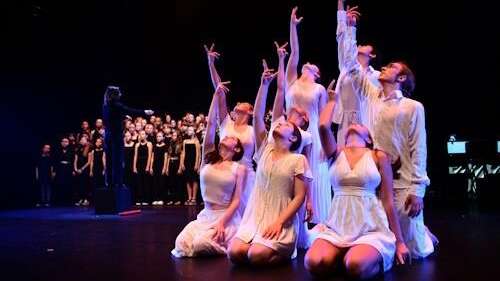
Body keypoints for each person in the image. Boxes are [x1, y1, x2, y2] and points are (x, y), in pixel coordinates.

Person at [342, 6, 436, 259]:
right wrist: (349, 28)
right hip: (375, 177)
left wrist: (418, 189)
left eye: (392, 66)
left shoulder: (412, 107)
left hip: (402, 180)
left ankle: (423, 233)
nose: (384, 66)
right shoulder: (371, 96)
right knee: (381, 242)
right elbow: (349, 67)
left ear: (402, 78)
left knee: (414, 249)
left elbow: (419, 147)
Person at [304, 86, 409, 279]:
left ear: (369, 138)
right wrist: (332, 100)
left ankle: (363, 256)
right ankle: (341, 254)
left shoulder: (378, 156)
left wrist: (400, 241)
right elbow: (323, 126)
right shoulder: (335, 153)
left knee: (355, 265)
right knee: (312, 262)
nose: (354, 123)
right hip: (337, 227)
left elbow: (387, 200)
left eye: (360, 124)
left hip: (369, 227)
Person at [228, 62, 312, 265]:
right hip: (256, 215)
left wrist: (279, 222)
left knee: (255, 256)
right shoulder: (265, 150)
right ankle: (257, 243)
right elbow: (257, 116)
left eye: (285, 125)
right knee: (235, 253)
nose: (280, 122)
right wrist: (264, 85)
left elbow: (299, 196)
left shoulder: (298, 160)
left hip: (279, 217)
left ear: (293, 138)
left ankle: (285, 252)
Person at [172, 83, 246, 257]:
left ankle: (226, 246)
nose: (226, 135)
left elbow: (236, 201)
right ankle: (207, 238)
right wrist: (216, 95)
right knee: (181, 244)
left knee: (200, 245)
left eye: (231, 137)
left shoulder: (238, 168)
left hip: (225, 218)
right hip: (205, 215)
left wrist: (222, 223)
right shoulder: (208, 158)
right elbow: (212, 124)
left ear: (236, 149)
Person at [285, 7, 331, 224]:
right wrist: (293, 27)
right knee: (292, 172)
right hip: (291, 131)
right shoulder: (291, 81)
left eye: (312, 66)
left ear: (317, 72)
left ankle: (318, 217)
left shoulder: (320, 89)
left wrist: (326, 143)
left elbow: (323, 119)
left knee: (313, 173)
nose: (307, 63)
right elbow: (294, 54)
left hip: (312, 133)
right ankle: (293, 216)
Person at [205, 43, 256, 215]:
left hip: (247, 176)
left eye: (243, 102)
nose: (238, 102)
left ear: (251, 110)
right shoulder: (226, 123)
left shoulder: (253, 130)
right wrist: (211, 64)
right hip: (224, 174)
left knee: (245, 214)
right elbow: (219, 91)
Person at [333, 0, 381, 148]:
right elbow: (341, 40)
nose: (360, 44)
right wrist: (344, 19)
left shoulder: (377, 76)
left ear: (372, 55)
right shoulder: (346, 68)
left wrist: (351, 29)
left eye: (366, 45)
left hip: (365, 121)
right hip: (344, 121)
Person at [102, 85, 153, 189]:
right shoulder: (116, 104)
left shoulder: (106, 105)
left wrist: (123, 116)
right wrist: (144, 112)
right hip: (115, 136)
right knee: (118, 160)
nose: (121, 94)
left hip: (108, 136)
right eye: (119, 93)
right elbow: (130, 110)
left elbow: (112, 117)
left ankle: (110, 183)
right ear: (114, 95)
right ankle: (119, 183)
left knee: (110, 160)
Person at [179, 126, 201, 205]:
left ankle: (194, 198)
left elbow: (198, 154)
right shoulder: (185, 141)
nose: (189, 131)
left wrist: (197, 164)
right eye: (188, 130)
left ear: (194, 131)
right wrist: (182, 163)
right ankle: (189, 197)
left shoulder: (196, 141)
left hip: (193, 162)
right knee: (188, 180)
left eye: (191, 130)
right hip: (187, 162)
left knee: (194, 180)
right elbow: (183, 153)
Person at [133, 130, 153, 206]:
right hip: (139, 164)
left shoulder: (149, 144)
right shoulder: (137, 145)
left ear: (146, 135)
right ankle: (139, 199)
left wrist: (148, 166)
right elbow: (135, 156)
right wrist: (134, 167)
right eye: (141, 134)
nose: (142, 135)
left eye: (143, 134)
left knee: (146, 182)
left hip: (145, 163)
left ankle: (146, 199)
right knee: (139, 182)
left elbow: (150, 155)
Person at [53, 137, 74, 205]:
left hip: (68, 168)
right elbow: (55, 162)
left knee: (68, 184)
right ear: (61, 143)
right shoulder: (57, 150)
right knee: (60, 184)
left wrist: (73, 170)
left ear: (68, 143)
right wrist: (54, 171)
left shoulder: (71, 150)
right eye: (63, 141)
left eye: (66, 141)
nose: (64, 143)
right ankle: (60, 200)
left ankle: (68, 200)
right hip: (60, 169)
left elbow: (73, 161)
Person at [166, 131, 183, 206]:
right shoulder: (170, 144)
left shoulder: (180, 145)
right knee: (171, 182)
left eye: (175, 135)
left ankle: (178, 199)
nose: (174, 136)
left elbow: (181, 156)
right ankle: (171, 199)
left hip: (177, 162)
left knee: (177, 182)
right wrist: (166, 167)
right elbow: (168, 156)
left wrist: (180, 167)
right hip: (171, 163)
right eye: (173, 135)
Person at [151, 131, 168, 206]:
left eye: (160, 136)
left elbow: (165, 158)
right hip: (155, 166)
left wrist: (164, 168)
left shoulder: (165, 146)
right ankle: (156, 198)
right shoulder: (154, 146)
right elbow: (152, 157)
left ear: (163, 138)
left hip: (161, 166)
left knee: (161, 182)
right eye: (157, 136)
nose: (158, 138)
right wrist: (151, 167)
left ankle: (161, 198)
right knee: (155, 182)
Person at [74, 135, 91, 206]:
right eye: (81, 140)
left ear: (86, 141)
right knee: (79, 185)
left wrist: (82, 169)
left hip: (85, 169)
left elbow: (89, 161)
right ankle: (80, 199)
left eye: (84, 140)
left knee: (85, 185)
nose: (82, 141)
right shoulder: (78, 149)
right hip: (78, 169)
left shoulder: (89, 149)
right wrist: (75, 168)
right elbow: (75, 159)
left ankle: (86, 199)